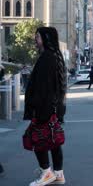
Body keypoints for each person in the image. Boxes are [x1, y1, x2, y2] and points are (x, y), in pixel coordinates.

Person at [24, 27, 67, 185]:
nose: (35, 39)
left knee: (38, 140)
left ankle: (46, 172)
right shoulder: (54, 56)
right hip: (53, 106)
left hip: (44, 107)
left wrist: (35, 107)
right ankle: (58, 174)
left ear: (46, 39)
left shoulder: (46, 58)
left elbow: (43, 87)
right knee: (53, 141)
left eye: (38, 36)